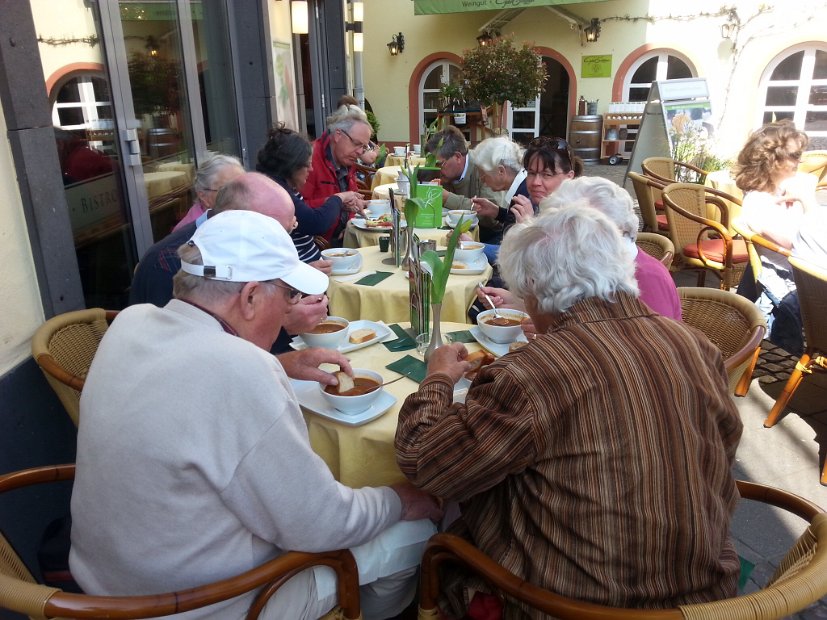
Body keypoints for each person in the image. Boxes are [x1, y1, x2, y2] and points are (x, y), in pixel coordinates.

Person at [71, 210, 443, 620]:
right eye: (288, 296)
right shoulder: (240, 370)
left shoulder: (130, 322)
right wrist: (399, 500)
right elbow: (321, 523)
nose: (288, 312)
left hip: (103, 591)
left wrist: (281, 365)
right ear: (249, 297)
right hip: (210, 605)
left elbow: (192, 388)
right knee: (415, 534)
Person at [395, 206, 742, 617]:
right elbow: (724, 449)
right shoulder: (695, 344)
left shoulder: (533, 373)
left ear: (534, 288)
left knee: (449, 515)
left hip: (572, 605)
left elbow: (426, 463)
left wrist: (437, 379)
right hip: (705, 595)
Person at [130, 172, 330, 359]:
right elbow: (190, 360)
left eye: (289, 228)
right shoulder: (168, 265)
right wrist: (281, 324)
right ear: (231, 220)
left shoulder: (223, 249)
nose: (282, 241)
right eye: (272, 231)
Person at [479, 177, 682, 323]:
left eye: (572, 233)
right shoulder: (596, 266)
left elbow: (645, 358)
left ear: (611, 232)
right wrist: (522, 304)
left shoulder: (648, 278)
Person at [733, 120, 817, 354]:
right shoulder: (759, 202)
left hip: (804, 274)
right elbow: (807, 242)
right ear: (772, 160)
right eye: (795, 155)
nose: (800, 161)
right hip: (803, 283)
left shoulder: (780, 194)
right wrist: (807, 201)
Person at [256, 124, 345, 269]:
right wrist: (339, 199)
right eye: (307, 164)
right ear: (292, 165)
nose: (311, 169)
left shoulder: (283, 186)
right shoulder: (277, 195)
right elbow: (316, 222)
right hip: (301, 273)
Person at [303, 104, 370, 243]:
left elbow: (351, 197)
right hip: (322, 243)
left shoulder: (346, 158)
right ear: (338, 135)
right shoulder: (310, 160)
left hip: (344, 233)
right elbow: (299, 209)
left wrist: (350, 222)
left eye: (364, 147)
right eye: (356, 143)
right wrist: (336, 201)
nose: (359, 152)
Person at [425, 126, 504, 243]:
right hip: (454, 231)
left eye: (440, 164)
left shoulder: (484, 166)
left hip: (491, 237)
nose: (437, 169)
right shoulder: (445, 170)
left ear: (458, 157)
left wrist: (447, 198)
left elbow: (492, 219)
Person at [172, 153, 244, 232]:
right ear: (203, 196)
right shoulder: (195, 233)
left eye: (243, 186)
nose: (240, 196)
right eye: (227, 190)